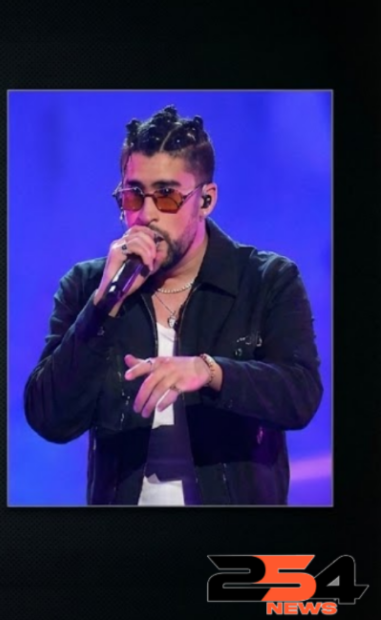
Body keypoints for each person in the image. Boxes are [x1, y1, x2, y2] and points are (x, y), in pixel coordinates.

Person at [23, 105, 323, 505]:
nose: (145, 216)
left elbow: (300, 396)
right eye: (133, 196)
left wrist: (210, 371)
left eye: (166, 196)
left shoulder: (266, 280)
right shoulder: (88, 288)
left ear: (206, 200)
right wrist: (103, 306)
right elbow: (49, 418)